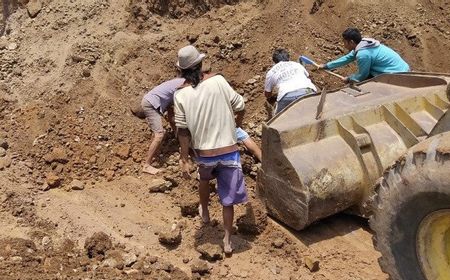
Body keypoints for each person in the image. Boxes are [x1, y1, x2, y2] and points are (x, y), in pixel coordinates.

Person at [174, 45, 247, 254]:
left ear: (181, 71)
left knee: (204, 180)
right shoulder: (219, 81)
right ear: (200, 65)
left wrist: (184, 157)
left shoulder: (180, 95)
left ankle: (204, 211)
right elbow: (240, 106)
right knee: (228, 199)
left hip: (204, 154)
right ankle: (226, 241)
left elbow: (183, 131)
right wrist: (235, 126)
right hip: (229, 151)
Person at [318, 27, 410, 83]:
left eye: (344, 42)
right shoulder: (363, 43)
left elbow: (363, 75)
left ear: (351, 42)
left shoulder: (363, 54)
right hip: (402, 69)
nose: (344, 45)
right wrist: (327, 66)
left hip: (397, 75)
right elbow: (347, 58)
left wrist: (350, 79)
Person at [140, 78, 184, 174]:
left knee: (160, 132)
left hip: (150, 101)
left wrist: (179, 138)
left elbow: (171, 116)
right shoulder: (184, 87)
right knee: (159, 134)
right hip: (150, 104)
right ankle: (147, 165)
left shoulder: (179, 83)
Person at [265, 48, 317, 114]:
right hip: (308, 91)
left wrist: (272, 97)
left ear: (274, 61)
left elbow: (267, 94)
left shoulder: (271, 72)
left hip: (287, 97)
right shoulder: (297, 65)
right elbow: (308, 78)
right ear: (288, 58)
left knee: (280, 119)